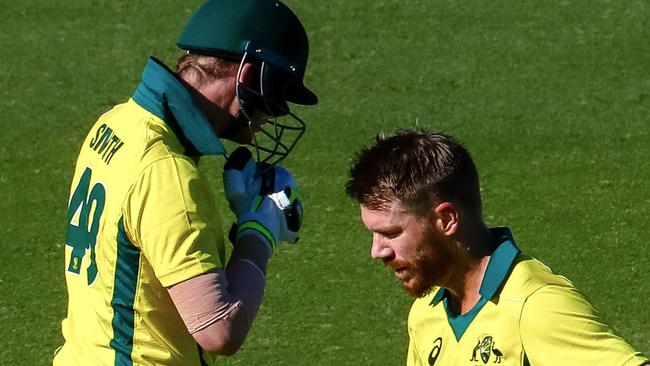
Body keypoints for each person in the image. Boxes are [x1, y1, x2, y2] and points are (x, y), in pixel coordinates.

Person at [53, 0, 317, 365]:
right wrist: (259, 232)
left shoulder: (116, 123)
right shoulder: (166, 174)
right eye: (277, 96)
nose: (273, 115)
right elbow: (218, 329)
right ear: (248, 75)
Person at [345, 129, 648, 366]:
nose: (377, 251)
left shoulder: (534, 306)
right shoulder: (425, 314)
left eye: (391, 232)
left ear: (446, 219)